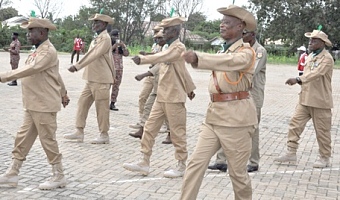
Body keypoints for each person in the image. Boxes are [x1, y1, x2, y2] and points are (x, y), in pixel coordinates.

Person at [180, 5, 257, 199]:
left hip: (236, 120)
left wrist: (199, 57)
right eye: (221, 22)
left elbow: (230, 62)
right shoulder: (224, 51)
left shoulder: (246, 52)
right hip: (214, 117)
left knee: (237, 174)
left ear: (240, 26)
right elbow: (223, 60)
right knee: (195, 164)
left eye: (227, 22)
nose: (222, 25)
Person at [0, 17, 70, 190]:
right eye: (28, 31)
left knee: (48, 140)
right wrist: (64, 92)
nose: (28, 34)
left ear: (42, 32)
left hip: (44, 104)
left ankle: (59, 176)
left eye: (31, 31)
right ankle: (12, 173)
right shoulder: (38, 50)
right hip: (33, 103)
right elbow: (55, 74)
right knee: (22, 138)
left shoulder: (47, 51)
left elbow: (32, 69)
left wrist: (5, 76)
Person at [123, 16, 196, 178]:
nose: (164, 33)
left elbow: (163, 58)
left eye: (167, 30)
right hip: (162, 96)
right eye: (164, 30)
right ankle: (144, 162)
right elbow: (182, 70)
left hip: (174, 97)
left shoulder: (178, 48)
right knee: (149, 129)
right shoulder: (167, 47)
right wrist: (190, 88)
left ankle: (181, 164)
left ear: (176, 31)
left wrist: (143, 59)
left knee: (177, 132)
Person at [208, 30, 267, 173]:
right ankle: (221, 160)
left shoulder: (259, 51)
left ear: (252, 35)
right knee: (225, 124)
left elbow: (251, 69)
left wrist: (229, 63)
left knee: (252, 129)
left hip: (252, 95)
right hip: (235, 94)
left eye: (245, 33)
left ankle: (253, 162)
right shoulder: (237, 50)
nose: (241, 35)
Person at [274, 29, 334, 168]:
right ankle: (291, 152)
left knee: (322, 131)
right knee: (295, 125)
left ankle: (324, 157)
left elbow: (316, 73)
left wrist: (298, 79)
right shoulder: (311, 55)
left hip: (320, 101)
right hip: (305, 99)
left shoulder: (327, 58)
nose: (310, 42)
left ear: (322, 43)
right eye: (310, 40)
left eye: (314, 40)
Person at [63, 13, 115, 144]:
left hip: (101, 79)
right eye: (93, 22)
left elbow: (93, 54)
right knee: (82, 103)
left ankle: (104, 134)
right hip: (91, 78)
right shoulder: (97, 38)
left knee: (101, 108)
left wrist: (77, 66)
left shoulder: (105, 39)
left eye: (97, 22)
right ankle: (79, 131)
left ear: (104, 24)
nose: (94, 25)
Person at [128, 30, 171, 144]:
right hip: (157, 83)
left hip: (165, 84)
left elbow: (159, 64)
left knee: (167, 112)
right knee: (147, 105)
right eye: (156, 38)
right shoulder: (159, 47)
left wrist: (144, 72)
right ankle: (142, 129)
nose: (158, 40)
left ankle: (171, 133)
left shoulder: (170, 50)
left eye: (160, 38)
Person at [129, 25, 163, 128]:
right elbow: (154, 55)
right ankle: (142, 121)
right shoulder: (156, 44)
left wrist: (144, 72)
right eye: (154, 32)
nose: (155, 34)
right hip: (151, 73)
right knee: (143, 97)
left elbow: (161, 61)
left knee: (161, 101)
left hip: (159, 75)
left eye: (157, 32)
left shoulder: (167, 46)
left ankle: (166, 126)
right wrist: (145, 55)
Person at [109, 29, 130, 111]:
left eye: (117, 36)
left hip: (119, 68)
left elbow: (127, 54)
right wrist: (115, 45)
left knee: (116, 86)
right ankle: (103, 103)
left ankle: (112, 103)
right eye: (114, 36)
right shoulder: (108, 43)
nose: (116, 37)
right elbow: (107, 51)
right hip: (110, 68)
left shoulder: (121, 44)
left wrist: (123, 46)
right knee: (107, 85)